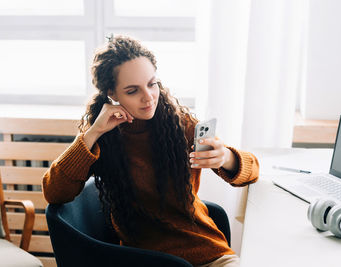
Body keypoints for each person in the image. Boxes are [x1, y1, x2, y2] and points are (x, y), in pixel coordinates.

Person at [42, 34, 259, 267]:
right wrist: (92, 134)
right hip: (148, 260)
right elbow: (54, 193)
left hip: (209, 253)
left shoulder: (178, 124)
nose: (148, 98)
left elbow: (253, 171)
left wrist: (225, 158)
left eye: (152, 84)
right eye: (132, 91)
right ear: (111, 94)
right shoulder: (103, 137)